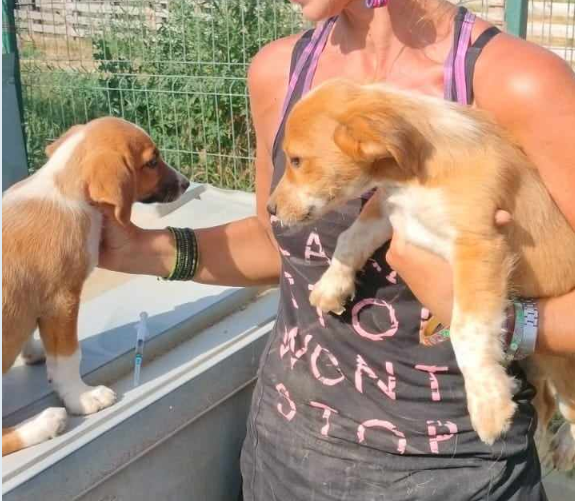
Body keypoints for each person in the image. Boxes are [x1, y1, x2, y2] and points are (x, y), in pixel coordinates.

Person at [99, 1, 575, 499]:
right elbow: (276, 240)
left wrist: (507, 325)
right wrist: (135, 251)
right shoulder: (279, 71)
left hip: (454, 477)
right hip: (286, 457)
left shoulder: (521, 83)